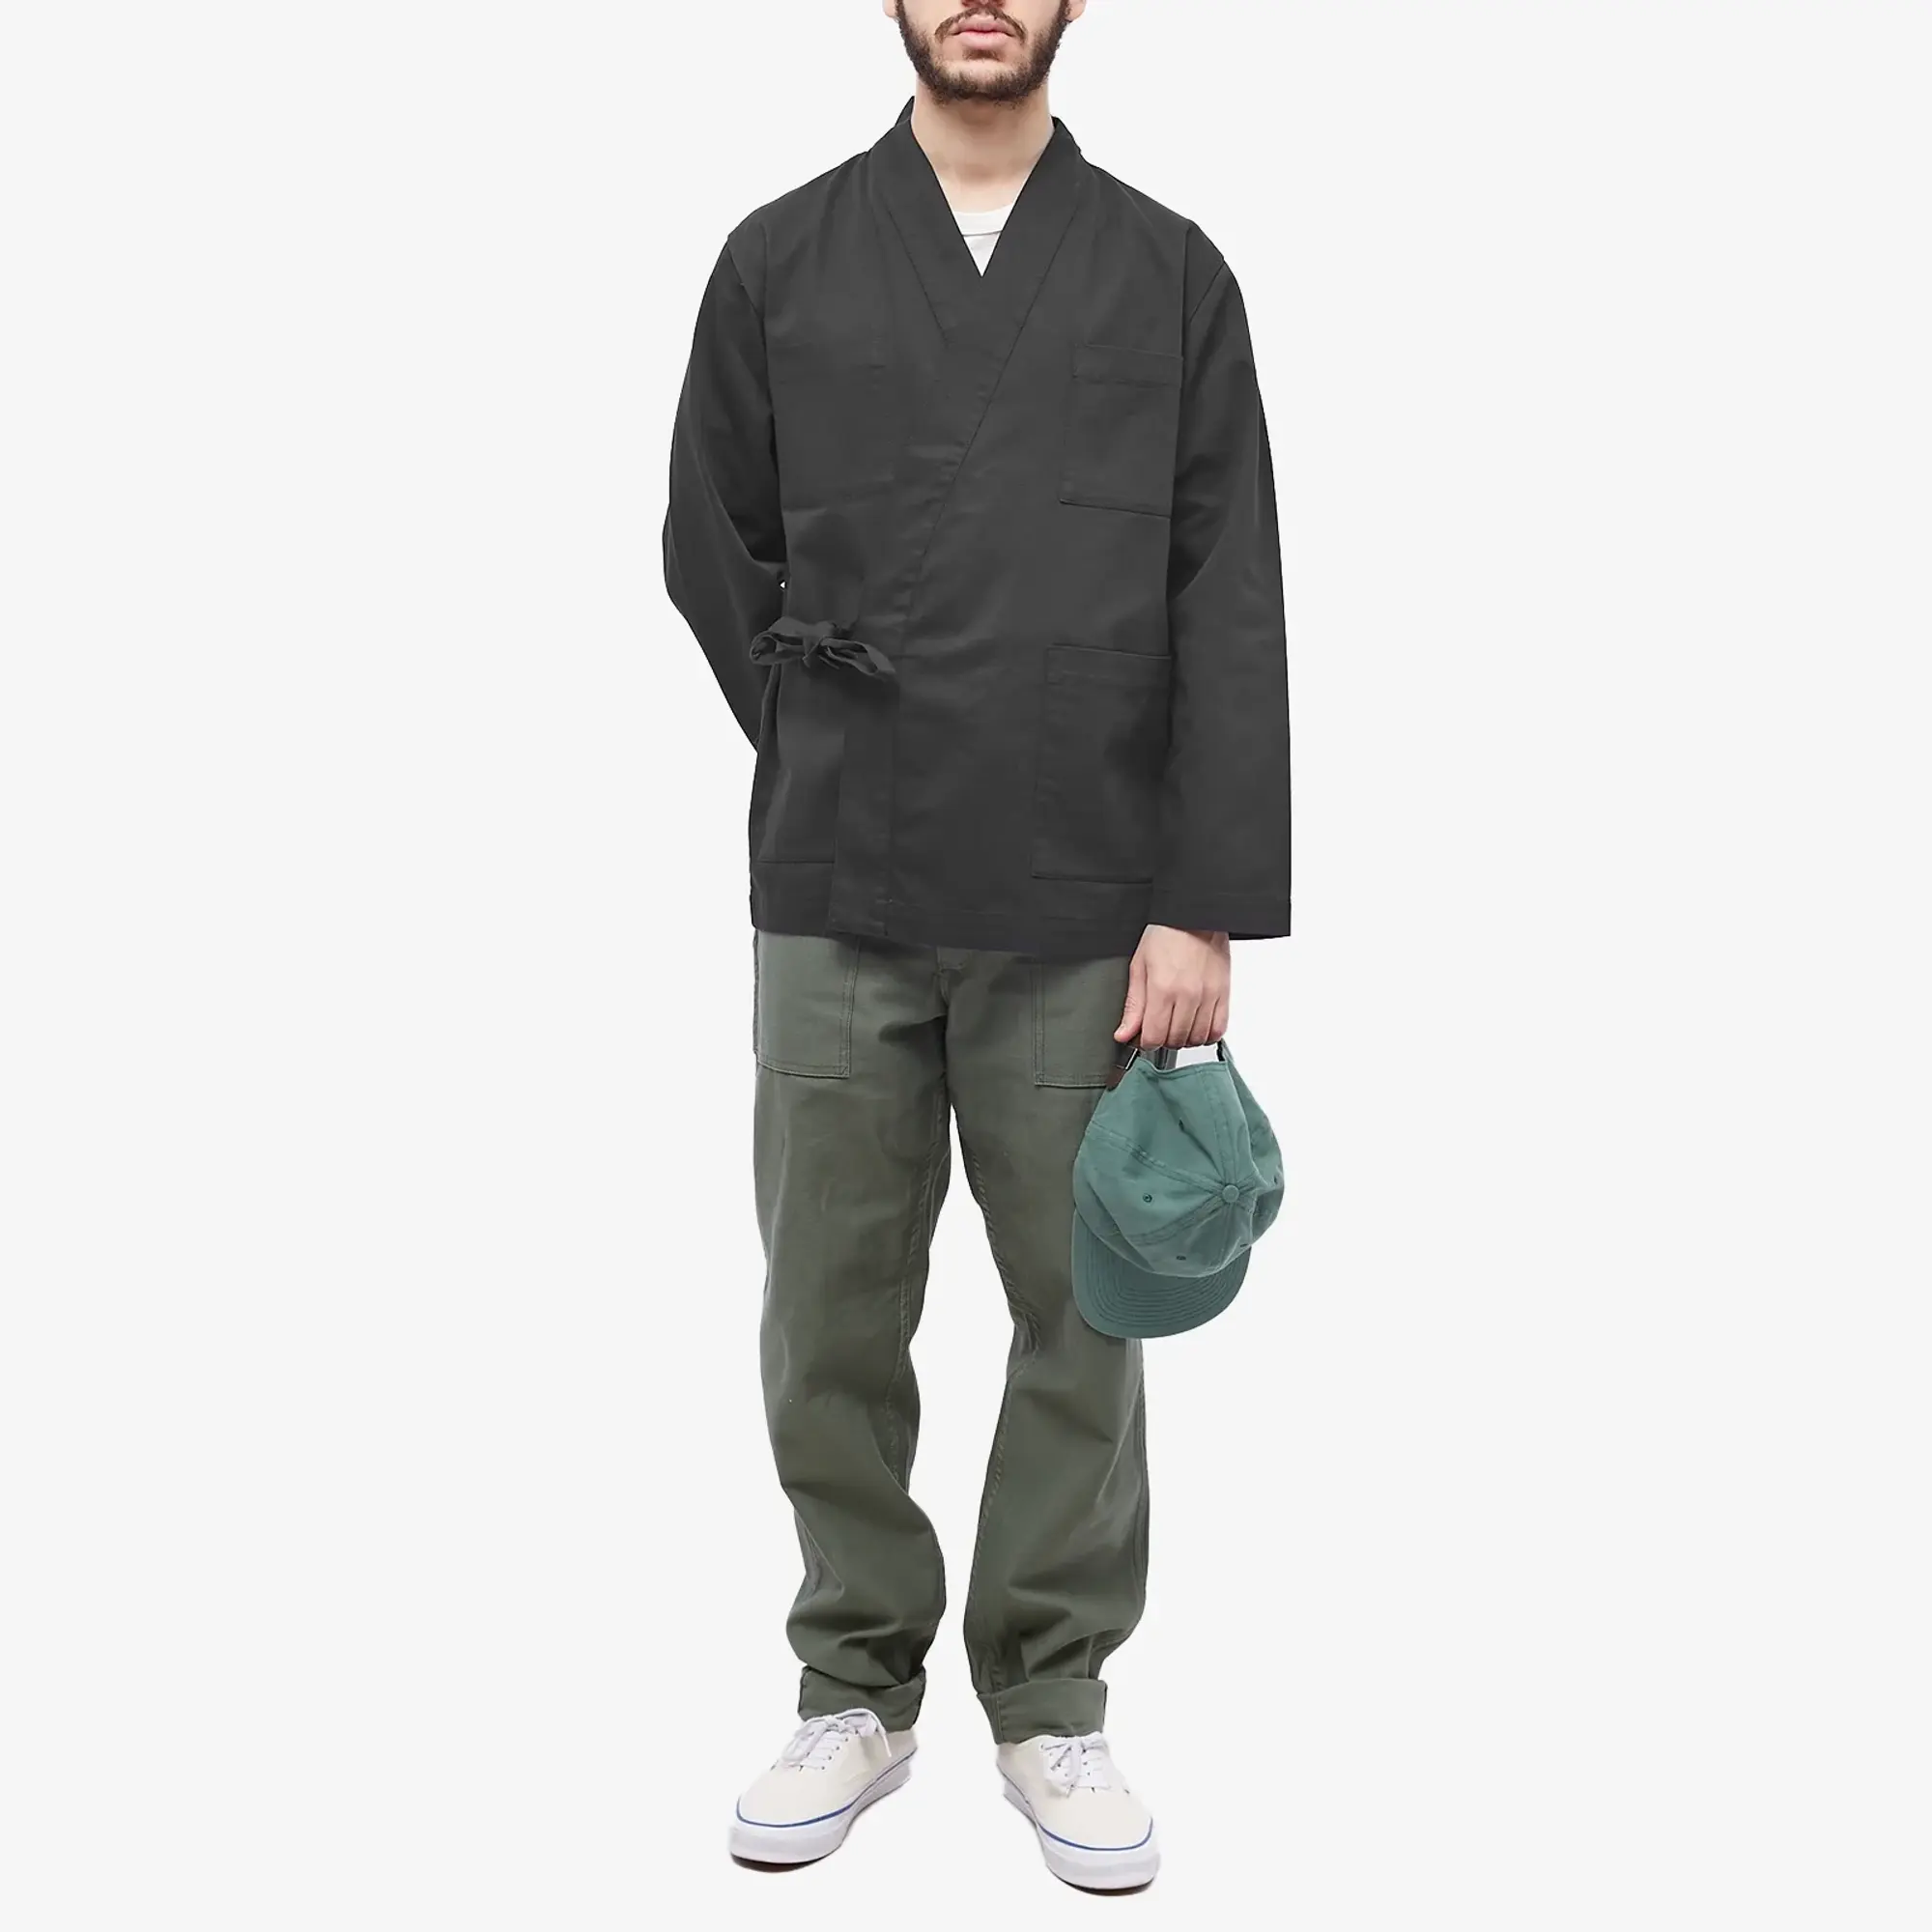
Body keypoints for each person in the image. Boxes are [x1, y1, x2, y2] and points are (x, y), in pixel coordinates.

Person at [664, 0, 1290, 1890]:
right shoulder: (780, 258)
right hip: (837, 876)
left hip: (1085, 888)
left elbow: (1227, 590)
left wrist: (1199, 896)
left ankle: (1051, 1695)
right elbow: (705, 536)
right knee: (826, 1309)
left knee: (1085, 1310)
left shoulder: (1168, 276)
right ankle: (854, 1682)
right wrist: (824, 727)